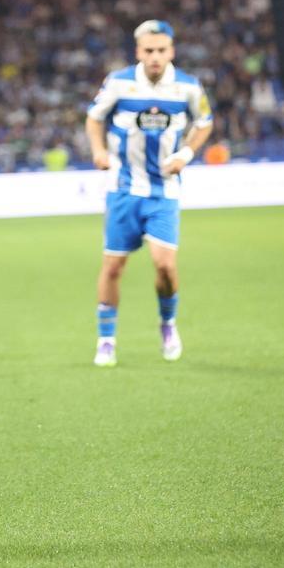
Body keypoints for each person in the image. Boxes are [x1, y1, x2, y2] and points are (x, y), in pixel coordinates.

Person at [85, 19, 213, 367]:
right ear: (137, 52)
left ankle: (167, 324)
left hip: (163, 191)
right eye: (148, 51)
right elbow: (94, 118)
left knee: (166, 267)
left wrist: (185, 154)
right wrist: (98, 150)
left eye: (161, 50)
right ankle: (106, 340)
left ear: (171, 51)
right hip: (124, 189)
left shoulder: (188, 87)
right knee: (113, 267)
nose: (155, 57)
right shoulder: (119, 83)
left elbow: (204, 122)